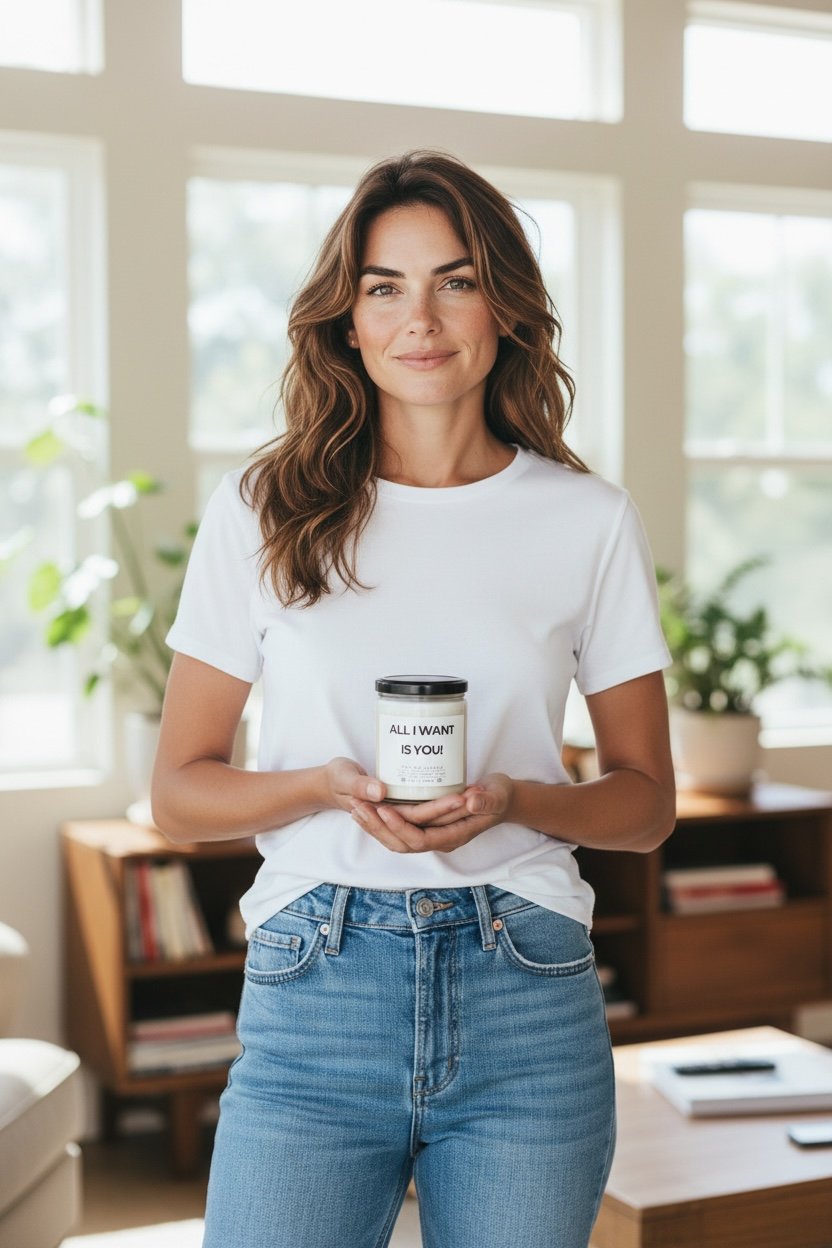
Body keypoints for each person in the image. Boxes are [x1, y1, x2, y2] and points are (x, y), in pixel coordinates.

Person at [152, 150, 675, 1248]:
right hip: (316, 986)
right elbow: (179, 794)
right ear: (346, 319)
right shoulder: (263, 509)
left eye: (455, 278)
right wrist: (324, 789)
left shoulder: (586, 518)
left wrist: (514, 801)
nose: (419, 318)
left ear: (507, 308)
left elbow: (644, 804)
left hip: (525, 987)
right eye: (384, 286)